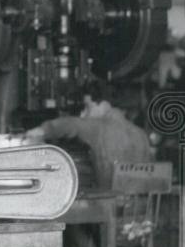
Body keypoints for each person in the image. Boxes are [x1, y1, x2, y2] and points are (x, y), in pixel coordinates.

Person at [25, 81, 153, 191]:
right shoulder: (140, 134)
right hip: (138, 209)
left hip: (108, 205)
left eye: (87, 107)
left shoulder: (99, 127)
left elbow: (72, 124)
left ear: (103, 105)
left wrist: (39, 131)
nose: (83, 114)